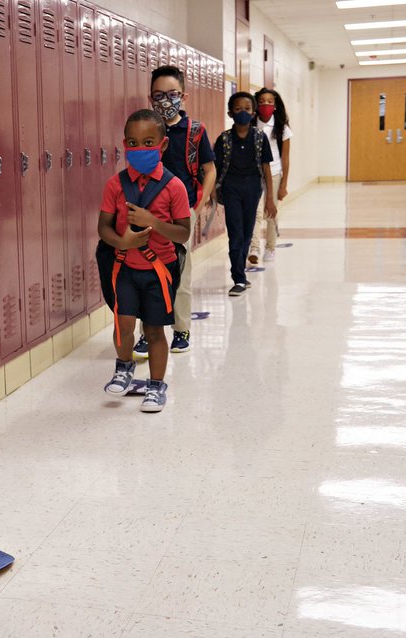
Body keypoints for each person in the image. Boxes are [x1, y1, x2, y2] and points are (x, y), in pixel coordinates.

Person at [98, 109, 191, 413]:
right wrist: (121, 242)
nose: (140, 149)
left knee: (153, 331)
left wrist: (153, 221)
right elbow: (104, 228)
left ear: (162, 145)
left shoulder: (173, 186)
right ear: (124, 144)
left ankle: (156, 386)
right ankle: (123, 367)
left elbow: (183, 233)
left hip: (158, 271)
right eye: (133, 143)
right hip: (125, 267)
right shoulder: (116, 184)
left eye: (148, 142)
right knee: (123, 323)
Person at [132, 66, 217, 358]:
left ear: (184, 96)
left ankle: (181, 329)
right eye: (159, 95)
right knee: (146, 271)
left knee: (180, 270)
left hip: (182, 212)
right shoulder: (145, 128)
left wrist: (201, 200)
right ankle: (148, 333)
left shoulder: (195, 131)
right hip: (146, 211)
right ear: (149, 97)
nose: (165, 101)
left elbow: (209, 168)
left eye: (172, 95)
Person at [214, 91, 276, 297]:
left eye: (247, 109)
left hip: (253, 189)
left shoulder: (260, 138)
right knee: (235, 233)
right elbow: (215, 169)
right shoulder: (223, 139)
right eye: (238, 109)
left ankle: (241, 273)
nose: (243, 113)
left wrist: (270, 198)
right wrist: (211, 194)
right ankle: (238, 278)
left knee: (248, 233)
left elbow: (266, 168)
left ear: (253, 113)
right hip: (230, 188)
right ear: (230, 113)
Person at [249, 88, 292, 264]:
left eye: (269, 101)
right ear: (256, 105)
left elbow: (286, 158)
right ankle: (254, 248)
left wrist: (283, 185)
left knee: (271, 212)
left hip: (274, 173)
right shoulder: (251, 125)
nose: (265, 105)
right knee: (255, 212)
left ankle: (270, 248)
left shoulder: (282, 128)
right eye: (262, 101)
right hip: (254, 175)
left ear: (275, 106)